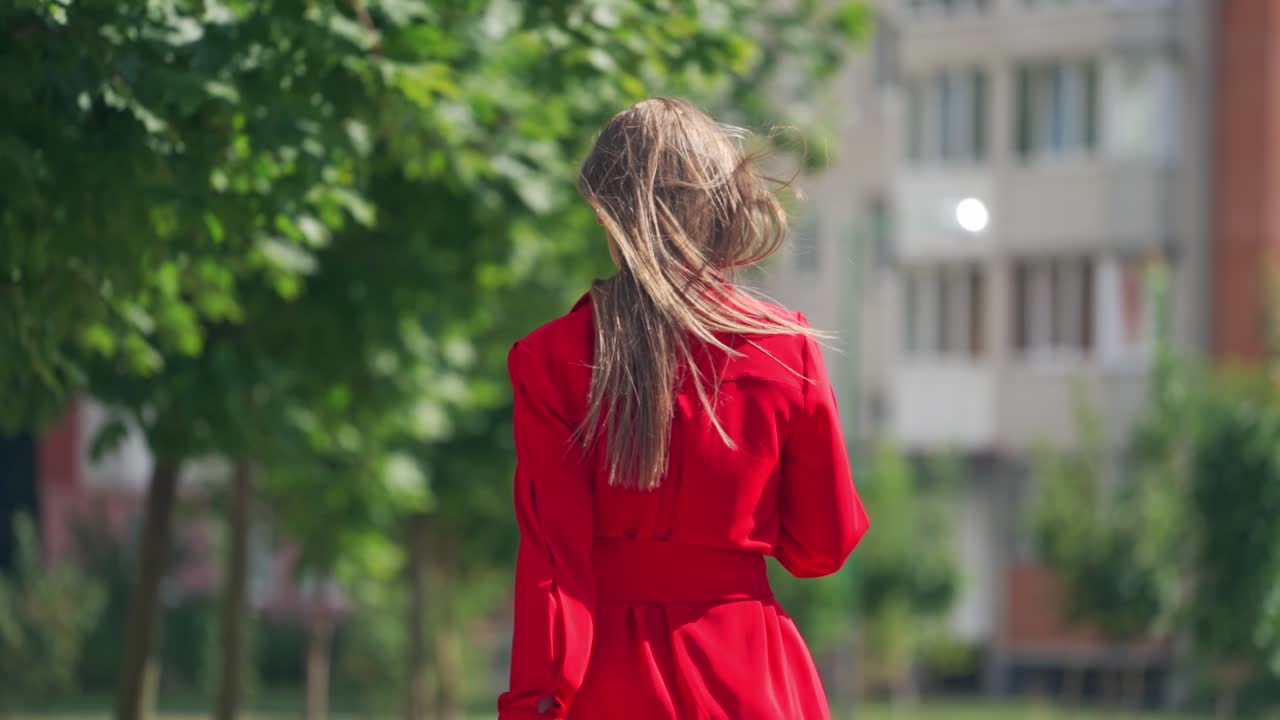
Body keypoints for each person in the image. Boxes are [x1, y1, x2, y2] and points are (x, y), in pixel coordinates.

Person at [498, 97, 869, 720]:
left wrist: (533, 703)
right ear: (722, 207)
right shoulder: (786, 349)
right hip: (750, 670)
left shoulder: (549, 359)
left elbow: (554, 568)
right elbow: (821, 547)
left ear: (606, 214)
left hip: (607, 683)